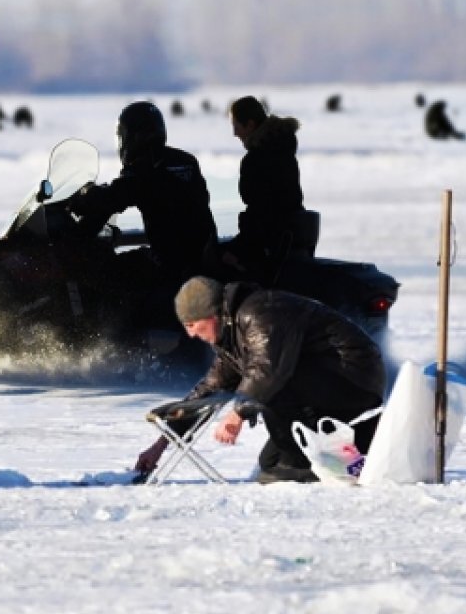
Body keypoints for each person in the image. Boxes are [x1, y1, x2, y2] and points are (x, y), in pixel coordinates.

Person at [134, 276, 385, 483]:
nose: (190, 334)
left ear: (212, 315)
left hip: (354, 378)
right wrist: (161, 444)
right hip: (323, 384)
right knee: (271, 465)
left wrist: (238, 414)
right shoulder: (232, 336)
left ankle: (330, 458)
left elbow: (268, 370)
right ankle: (356, 447)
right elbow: (208, 390)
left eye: (191, 324)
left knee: (274, 400)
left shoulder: (261, 313)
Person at [68, 100, 217, 292]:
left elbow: (114, 197)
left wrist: (84, 195)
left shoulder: (143, 168)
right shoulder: (185, 161)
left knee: (107, 271)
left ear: (135, 136)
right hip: (201, 258)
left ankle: (112, 320)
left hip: (171, 262)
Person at [215, 96, 306, 282]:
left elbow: (261, 214)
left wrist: (234, 250)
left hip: (267, 244)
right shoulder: (285, 154)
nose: (235, 133)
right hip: (285, 239)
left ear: (250, 125)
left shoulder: (256, 161)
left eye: (236, 126)